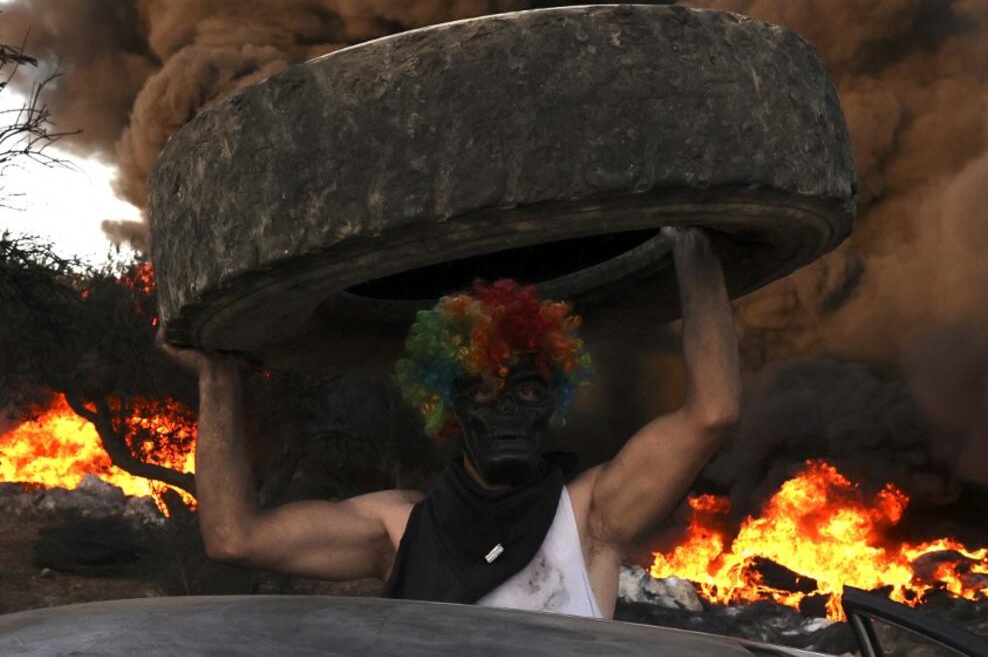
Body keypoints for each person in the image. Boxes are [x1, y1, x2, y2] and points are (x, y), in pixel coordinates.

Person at [160, 225, 740, 619]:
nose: (508, 407)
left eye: (529, 388)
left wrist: (693, 248)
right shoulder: (399, 527)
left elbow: (712, 413)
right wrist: (216, 377)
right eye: (484, 390)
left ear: (553, 401)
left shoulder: (590, 517)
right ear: (450, 408)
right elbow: (233, 537)